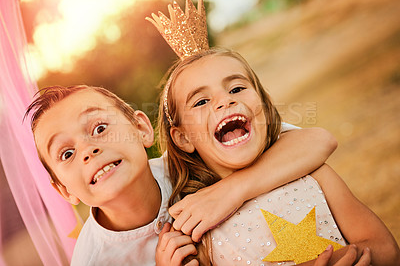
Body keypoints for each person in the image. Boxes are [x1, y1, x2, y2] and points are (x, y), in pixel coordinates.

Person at [25, 85, 339, 265]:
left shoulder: (188, 160)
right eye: (66, 153)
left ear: (141, 128)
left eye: (100, 128)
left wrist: (232, 189)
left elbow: (318, 140)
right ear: (65, 191)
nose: (87, 150)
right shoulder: (95, 262)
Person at [155, 46, 400, 265]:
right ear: (183, 138)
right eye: (201, 101)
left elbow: (387, 250)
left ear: (264, 105)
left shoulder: (311, 173)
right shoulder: (197, 228)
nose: (225, 101)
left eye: (237, 88)